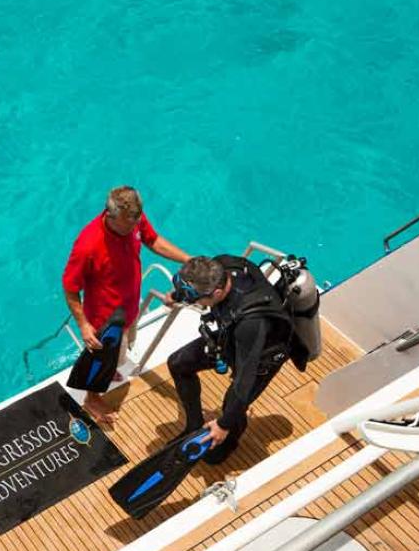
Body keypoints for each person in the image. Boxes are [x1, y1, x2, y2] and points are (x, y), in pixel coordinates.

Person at [62, 186, 189, 425]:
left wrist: (188, 260)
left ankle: (114, 369)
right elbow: (70, 287)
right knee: (103, 362)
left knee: (122, 354)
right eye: (129, 225)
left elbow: (153, 240)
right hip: (105, 321)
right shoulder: (88, 245)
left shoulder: (134, 218)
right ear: (110, 216)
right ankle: (92, 398)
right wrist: (84, 326)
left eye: (136, 223)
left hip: (130, 308)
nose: (135, 229)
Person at [166, 255, 296, 463]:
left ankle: (228, 441)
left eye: (196, 299)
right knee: (179, 363)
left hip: (263, 355)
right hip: (231, 338)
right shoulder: (223, 265)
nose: (195, 303)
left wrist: (223, 425)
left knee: (232, 404)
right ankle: (193, 425)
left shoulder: (251, 322)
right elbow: (197, 289)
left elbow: (245, 381)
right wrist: (180, 295)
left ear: (217, 292)